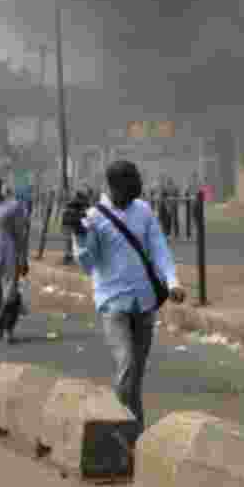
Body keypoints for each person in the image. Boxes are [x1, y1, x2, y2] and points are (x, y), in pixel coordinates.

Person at [65, 161, 185, 435]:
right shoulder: (94, 217)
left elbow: (159, 248)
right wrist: (80, 235)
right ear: (114, 186)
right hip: (113, 303)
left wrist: (172, 281)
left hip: (144, 303)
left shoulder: (143, 210)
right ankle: (119, 428)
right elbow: (88, 264)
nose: (137, 188)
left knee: (135, 376)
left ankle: (135, 431)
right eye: (131, 183)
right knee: (127, 364)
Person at [0, 176, 29, 344]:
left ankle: (7, 329)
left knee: (9, 295)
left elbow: (21, 235)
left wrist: (23, 259)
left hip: (10, 255)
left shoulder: (13, 206)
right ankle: (1, 322)